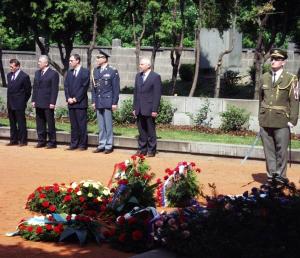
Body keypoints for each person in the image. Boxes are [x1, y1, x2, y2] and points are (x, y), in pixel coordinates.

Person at [258, 48, 299, 184]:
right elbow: (261, 99)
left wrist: (293, 120)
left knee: (281, 151)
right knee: (269, 151)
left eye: (277, 59)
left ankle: (281, 178)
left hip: (282, 120)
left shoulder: (291, 78)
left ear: (283, 62)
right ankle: (271, 177)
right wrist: (260, 117)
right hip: (266, 119)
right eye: (272, 59)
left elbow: (294, 100)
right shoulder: (264, 77)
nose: (273, 61)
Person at [91, 49, 120, 154]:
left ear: (104, 58)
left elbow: (116, 88)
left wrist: (114, 103)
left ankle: (109, 145)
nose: (97, 59)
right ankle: (102, 144)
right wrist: (93, 101)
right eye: (97, 57)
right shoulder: (95, 70)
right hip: (99, 101)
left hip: (108, 101)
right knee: (101, 125)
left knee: (108, 124)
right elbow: (94, 88)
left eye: (99, 57)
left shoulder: (112, 70)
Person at [133, 57, 162, 157]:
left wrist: (154, 109)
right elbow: (136, 93)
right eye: (140, 64)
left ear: (148, 65)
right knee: (141, 131)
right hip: (139, 108)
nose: (139, 66)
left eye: (142, 64)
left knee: (150, 130)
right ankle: (142, 149)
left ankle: (151, 150)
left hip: (149, 108)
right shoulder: (138, 76)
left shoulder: (155, 77)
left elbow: (157, 95)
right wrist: (134, 108)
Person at [32, 55, 59, 148]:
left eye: (40, 61)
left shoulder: (53, 74)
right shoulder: (37, 73)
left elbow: (54, 89)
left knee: (50, 122)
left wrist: (53, 102)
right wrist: (33, 100)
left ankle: (52, 142)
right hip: (38, 101)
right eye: (38, 61)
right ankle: (41, 140)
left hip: (48, 102)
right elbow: (35, 87)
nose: (38, 63)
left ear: (46, 63)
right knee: (39, 122)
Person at [64, 54, 90, 150]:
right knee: (73, 125)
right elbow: (66, 86)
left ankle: (82, 144)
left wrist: (76, 98)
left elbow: (84, 87)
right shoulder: (69, 72)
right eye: (70, 61)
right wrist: (68, 98)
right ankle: (74, 143)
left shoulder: (85, 72)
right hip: (71, 103)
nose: (70, 62)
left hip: (80, 103)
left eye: (71, 60)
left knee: (81, 124)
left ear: (77, 61)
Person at [6, 59, 32, 146]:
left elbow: (28, 91)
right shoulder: (9, 75)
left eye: (12, 67)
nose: (10, 68)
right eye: (10, 66)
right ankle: (13, 140)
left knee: (21, 123)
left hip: (19, 104)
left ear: (17, 66)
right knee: (12, 123)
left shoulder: (24, 76)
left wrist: (23, 101)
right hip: (10, 103)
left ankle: (22, 141)